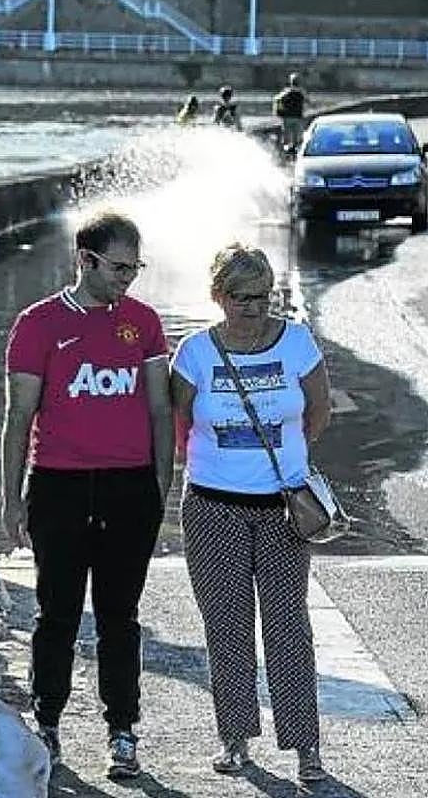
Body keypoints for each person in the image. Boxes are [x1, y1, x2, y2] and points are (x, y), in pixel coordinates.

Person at [1, 210, 173, 781]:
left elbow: (157, 408)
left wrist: (160, 486)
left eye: (135, 267)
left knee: (121, 617)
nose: (129, 277)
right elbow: (19, 414)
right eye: (120, 267)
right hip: (60, 485)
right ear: (86, 260)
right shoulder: (38, 324)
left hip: (129, 486)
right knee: (58, 613)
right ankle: (46, 723)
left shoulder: (143, 323)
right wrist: (12, 496)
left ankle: (122, 730)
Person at [169, 243, 332, 787]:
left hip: (281, 508)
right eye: (240, 298)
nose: (253, 308)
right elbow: (179, 425)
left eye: (262, 297)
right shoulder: (194, 353)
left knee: (289, 627)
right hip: (213, 507)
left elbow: (318, 409)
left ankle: (305, 745)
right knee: (227, 627)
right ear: (218, 297)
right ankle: (235, 738)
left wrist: (290, 461)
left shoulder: (297, 342)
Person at [274, 72, 308, 154]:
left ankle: (286, 152)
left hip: (287, 117)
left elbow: (277, 100)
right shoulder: (301, 92)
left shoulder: (286, 92)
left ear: (291, 82)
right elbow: (307, 102)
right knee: (297, 138)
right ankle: (295, 151)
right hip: (297, 117)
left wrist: (278, 112)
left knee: (287, 138)